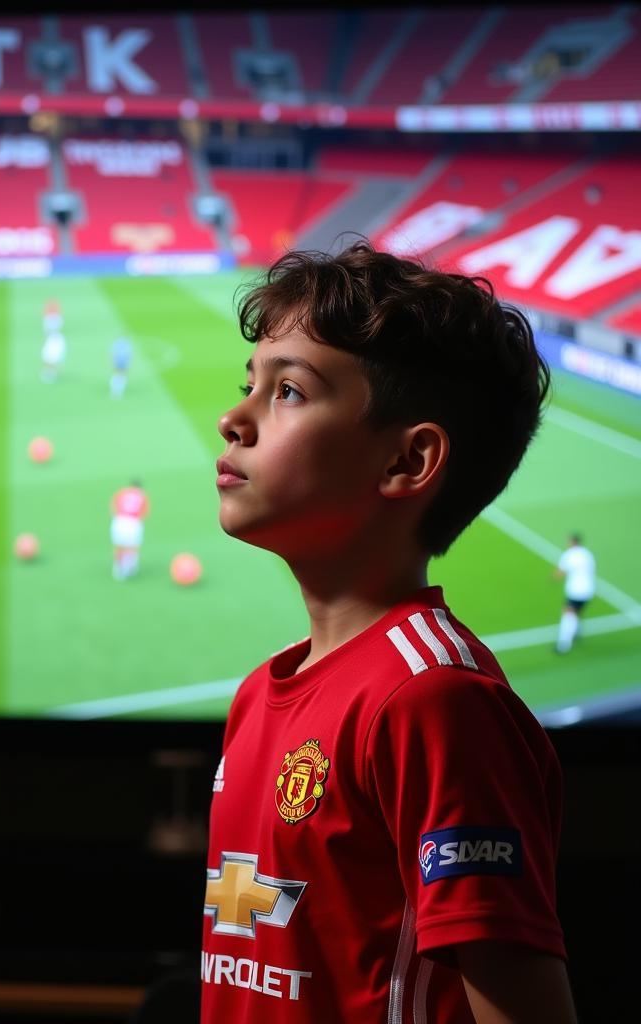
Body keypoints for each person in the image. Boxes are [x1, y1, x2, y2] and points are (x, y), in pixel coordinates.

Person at [203, 242, 576, 1023]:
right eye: (249, 386)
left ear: (410, 460)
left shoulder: (434, 702)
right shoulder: (254, 696)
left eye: (290, 393)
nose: (233, 419)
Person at [553, 533, 596, 654]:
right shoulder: (587, 554)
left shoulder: (570, 555)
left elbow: (560, 573)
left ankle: (563, 645)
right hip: (589, 589)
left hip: (576, 590)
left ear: (572, 542)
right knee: (577, 613)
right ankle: (577, 633)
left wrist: (554, 577)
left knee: (568, 615)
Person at [110, 479, 149, 580]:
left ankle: (118, 568)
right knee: (132, 547)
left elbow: (113, 507)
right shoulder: (142, 496)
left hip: (119, 520)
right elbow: (143, 513)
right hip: (133, 522)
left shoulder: (122, 492)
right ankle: (129, 567)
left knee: (119, 546)